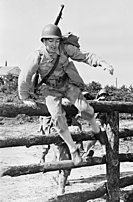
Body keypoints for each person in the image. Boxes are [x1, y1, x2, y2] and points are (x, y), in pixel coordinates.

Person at [18, 24, 114, 166]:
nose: (54, 44)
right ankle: (73, 149)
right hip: (49, 89)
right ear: (43, 42)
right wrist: (24, 97)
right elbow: (25, 76)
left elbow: (85, 56)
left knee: (85, 108)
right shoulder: (37, 56)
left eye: (57, 41)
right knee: (57, 117)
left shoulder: (65, 48)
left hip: (66, 83)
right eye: (50, 41)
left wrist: (102, 63)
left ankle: (96, 129)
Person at [83, 88, 110, 157]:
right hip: (95, 121)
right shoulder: (96, 102)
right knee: (102, 133)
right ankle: (104, 151)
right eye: (103, 95)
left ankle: (86, 152)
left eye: (105, 95)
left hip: (100, 122)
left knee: (93, 139)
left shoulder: (108, 105)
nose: (104, 97)